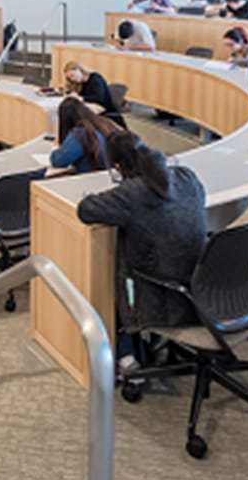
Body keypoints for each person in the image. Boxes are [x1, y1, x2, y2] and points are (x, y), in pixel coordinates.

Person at [77, 132, 207, 361]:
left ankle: (126, 354)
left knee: (117, 261)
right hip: (201, 280)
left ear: (117, 165)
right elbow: (201, 197)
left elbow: (86, 210)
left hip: (160, 290)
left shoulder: (131, 194)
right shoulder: (186, 175)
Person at [50, 98, 120, 174]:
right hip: (109, 177)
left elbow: (58, 161)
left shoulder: (80, 134)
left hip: (89, 179)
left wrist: (57, 148)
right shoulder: (104, 123)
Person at [62, 60, 124, 125]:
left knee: (75, 116)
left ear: (79, 70)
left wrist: (81, 98)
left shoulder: (95, 79)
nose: (72, 79)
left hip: (104, 110)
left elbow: (98, 98)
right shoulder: (79, 83)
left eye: (72, 75)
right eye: (70, 78)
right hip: (91, 108)